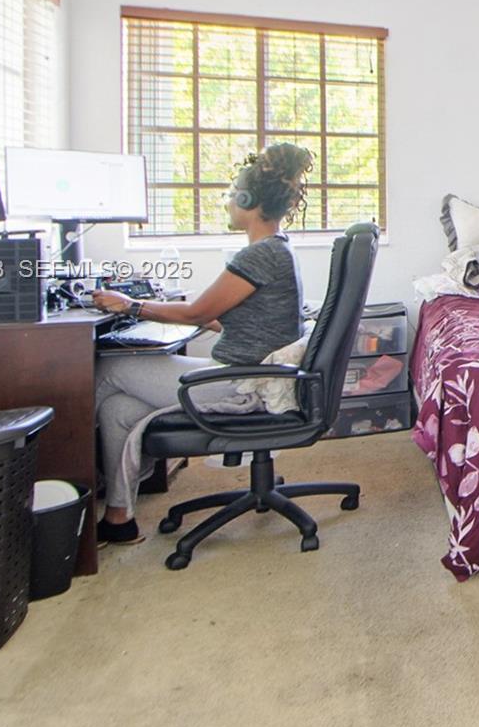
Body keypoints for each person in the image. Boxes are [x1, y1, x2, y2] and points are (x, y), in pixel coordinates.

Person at [90, 143, 313, 545]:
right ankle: (118, 517)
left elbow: (195, 315)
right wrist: (169, 311)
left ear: (247, 199)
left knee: (110, 369)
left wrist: (132, 305)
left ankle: (66, 495)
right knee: (118, 408)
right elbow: (220, 316)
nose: (229, 203)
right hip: (247, 376)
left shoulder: (259, 256)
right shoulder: (275, 250)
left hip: (241, 385)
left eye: (232, 196)